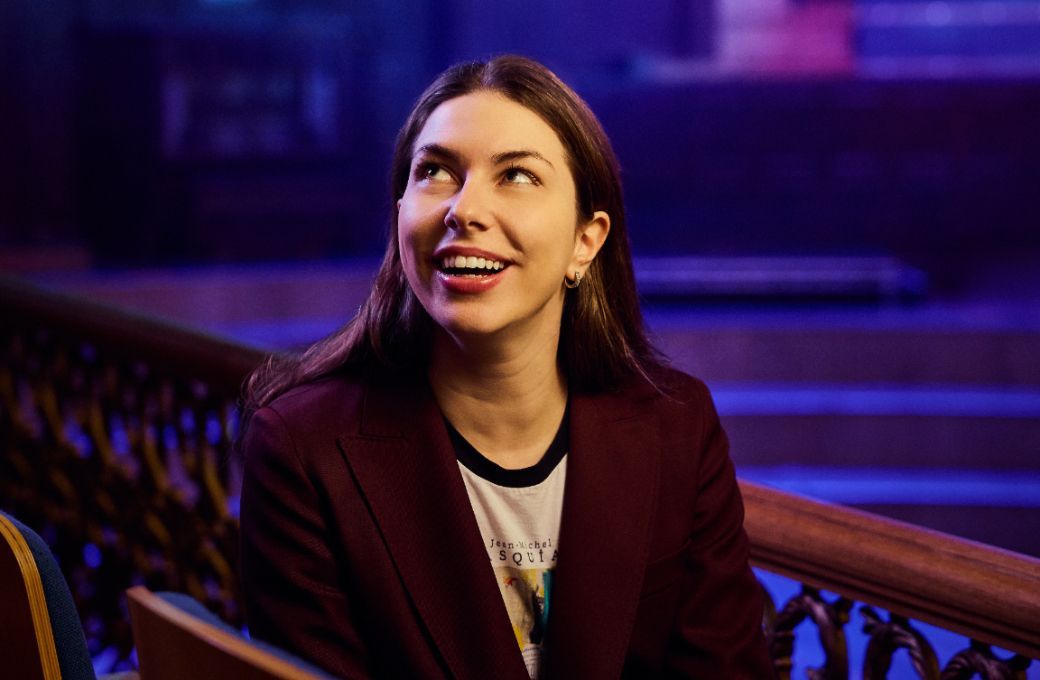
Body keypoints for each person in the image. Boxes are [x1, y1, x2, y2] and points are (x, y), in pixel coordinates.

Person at [239, 55, 774, 679]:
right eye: (435, 171)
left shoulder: (674, 426)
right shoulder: (303, 448)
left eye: (517, 175)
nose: (464, 210)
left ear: (586, 240)